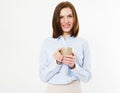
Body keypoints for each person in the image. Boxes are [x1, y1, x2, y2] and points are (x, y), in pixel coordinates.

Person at [39, 1, 92, 93]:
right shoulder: (47, 43)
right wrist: (57, 63)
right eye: (61, 17)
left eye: (69, 16)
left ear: (74, 18)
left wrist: (74, 66)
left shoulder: (83, 43)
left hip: (74, 89)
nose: (66, 21)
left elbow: (87, 77)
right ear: (56, 19)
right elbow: (43, 77)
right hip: (52, 90)